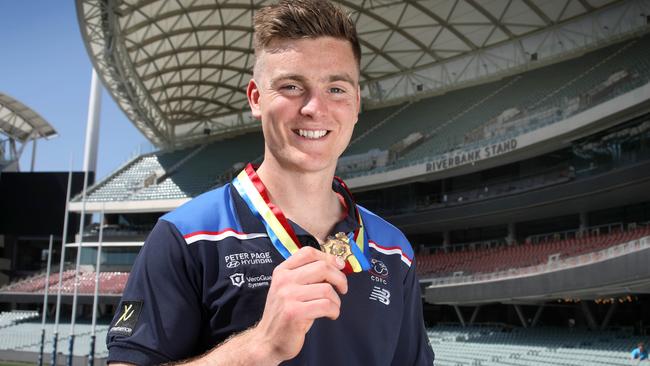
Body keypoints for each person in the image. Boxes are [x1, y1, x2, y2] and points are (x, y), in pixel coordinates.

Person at [106, 1, 435, 365]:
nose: (314, 107)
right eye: (292, 86)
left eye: (336, 89)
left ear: (356, 103)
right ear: (256, 98)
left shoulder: (394, 249)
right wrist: (258, 347)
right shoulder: (185, 236)